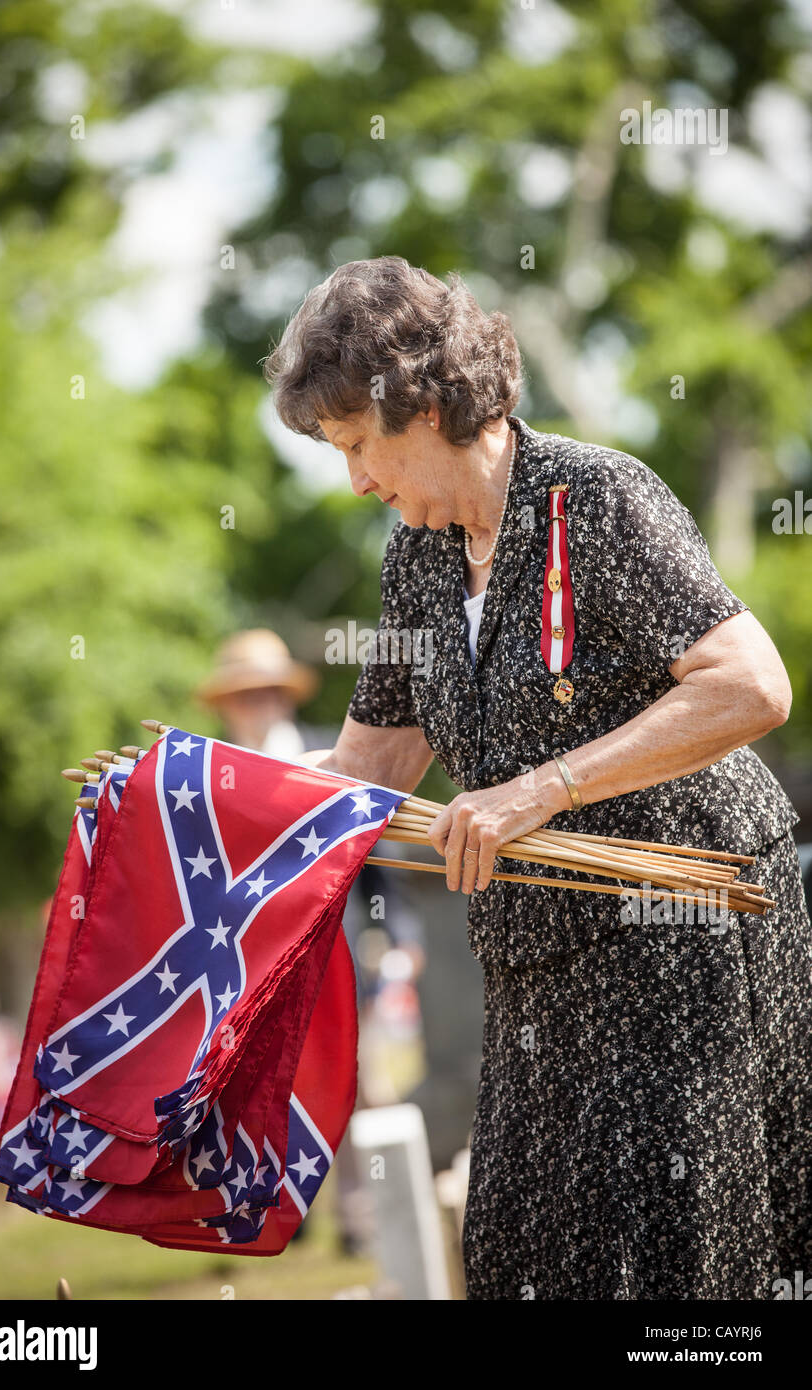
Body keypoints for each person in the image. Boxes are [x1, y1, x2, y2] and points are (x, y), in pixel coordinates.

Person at [260, 254, 812, 1300]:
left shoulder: (595, 499)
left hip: (684, 930)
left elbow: (750, 683)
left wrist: (538, 788)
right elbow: (368, 767)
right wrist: (209, 793)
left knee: (670, 1259)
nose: (356, 481)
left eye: (357, 446)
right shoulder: (413, 559)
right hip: (535, 959)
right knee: (518, 1246)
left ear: (418, 403)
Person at [194, 627, 425, 1253]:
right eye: (245, 694)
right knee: (261, 1088)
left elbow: (383, 855)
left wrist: (397, 937)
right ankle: (276, 1214)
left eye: (268, 691)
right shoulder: (213, 776)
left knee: (359, 1083)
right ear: (227, 703)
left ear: (286, 695)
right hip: (249, 965)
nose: (258, 704)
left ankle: (366, 1221)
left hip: (341, 954)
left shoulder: (337, 755)